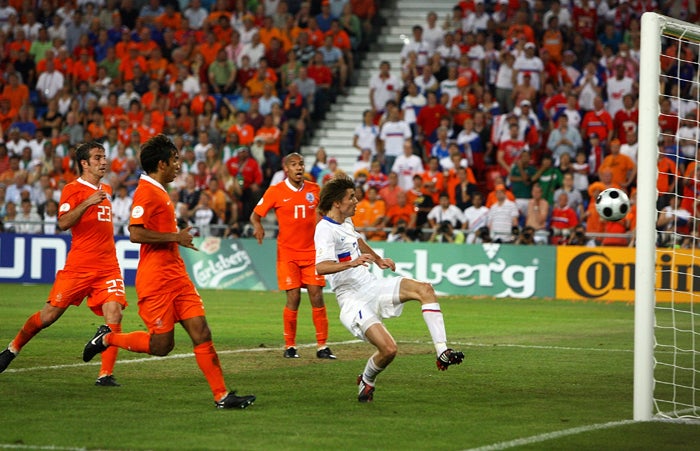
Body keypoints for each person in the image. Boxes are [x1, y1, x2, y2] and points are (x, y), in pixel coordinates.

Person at [81, 134, 255, 410]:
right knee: (162, 346)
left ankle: (222, 396)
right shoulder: (146, 192)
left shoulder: (160, 191)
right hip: (156, 280)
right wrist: (175, 237)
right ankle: (106, 338)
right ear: (161, 164)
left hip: (177, 276)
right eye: (175, 161)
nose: (179, 166)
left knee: (201, 331)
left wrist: (174, 238)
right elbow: (135, 233)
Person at [314, 176, 464, 403]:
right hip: (352, 299)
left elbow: (358, 241)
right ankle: (367, 379)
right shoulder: (325, 229)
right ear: (336, 202)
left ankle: (442, 350)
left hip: (371, 285)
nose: (356, 201)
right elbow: (321, 267)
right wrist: (351, 263)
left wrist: (377, 259)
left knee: (425, 289)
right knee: (389, 350)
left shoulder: (345, 222)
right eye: (351, 197)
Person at [0, 142, 127, 386]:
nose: (104, 161)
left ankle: (105, 374)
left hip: (108, 266)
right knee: (48, 317)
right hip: (79, 267)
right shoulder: (73, 189)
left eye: (104, 156)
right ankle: (12, 349)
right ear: (84, 163)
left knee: (115, 313)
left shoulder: (107, 189)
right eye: (97, 157)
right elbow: (64, 222)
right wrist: (88, 202)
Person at [250, 153, 336, 360]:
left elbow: (328, 212)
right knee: (294, 297)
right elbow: (255, 214)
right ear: (286, 168)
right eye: (294, 165)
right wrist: (258, 225)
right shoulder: (276, 191)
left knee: (316, 294)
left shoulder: (314, 190)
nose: (299, 168)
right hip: (288, 253)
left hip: (312, 252)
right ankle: (290, 346)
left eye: (301, 164)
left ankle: (322, 346)